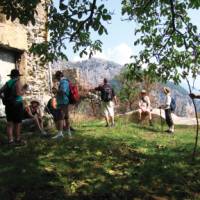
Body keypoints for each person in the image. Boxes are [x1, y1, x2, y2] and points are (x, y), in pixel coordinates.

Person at [0, 69, 28, 145]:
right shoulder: (18, 82)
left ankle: (10, 140)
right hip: (17, 104)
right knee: (17, 123)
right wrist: (25, 89)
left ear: (11, 76)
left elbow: (0, 91)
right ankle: (18, 139)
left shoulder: (8, 82)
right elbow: (19, 93)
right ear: (18, 76)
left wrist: (3, 98)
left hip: (9, 105)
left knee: (9, 123)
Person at [52, 71, 71, 139]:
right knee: (66, 117)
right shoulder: (64, 81)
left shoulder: (64, 82)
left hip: (63, 101)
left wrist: (56, 91)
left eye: (57, 78)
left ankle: (60, 133)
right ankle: (68, 133)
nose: (57, 79)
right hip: (63, 101)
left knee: (61, 117)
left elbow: (63, 91)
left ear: (59, 76)